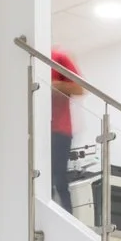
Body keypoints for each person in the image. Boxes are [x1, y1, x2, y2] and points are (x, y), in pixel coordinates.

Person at [49, 47, 83, 212]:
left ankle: (67, 218)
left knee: (59, 178)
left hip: (60, 130)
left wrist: (55, 85)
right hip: (40, 130)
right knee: (43, 177)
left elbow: (79, 88)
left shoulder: (59, 57)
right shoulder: (31, 61)